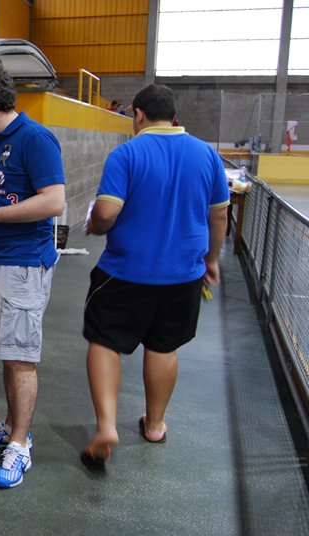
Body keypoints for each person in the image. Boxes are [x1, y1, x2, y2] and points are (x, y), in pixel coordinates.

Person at [81, 84, 229, 471]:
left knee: (105, 341)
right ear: (174, 116)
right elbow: (219, 215)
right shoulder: (207, 154)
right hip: (183, 274)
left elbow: (107, 212)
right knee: (164, 347)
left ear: (139, 115)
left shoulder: (127, 153)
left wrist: (95, 225)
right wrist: (212, 260)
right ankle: (155, 425)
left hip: (126, 272)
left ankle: (107, 427)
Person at [0, 62, 66, 488]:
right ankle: (11, 426)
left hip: (23, 266)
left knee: (21, 358)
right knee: (7, 352)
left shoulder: (35, 139)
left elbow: (53, 202)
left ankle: (20, 444)